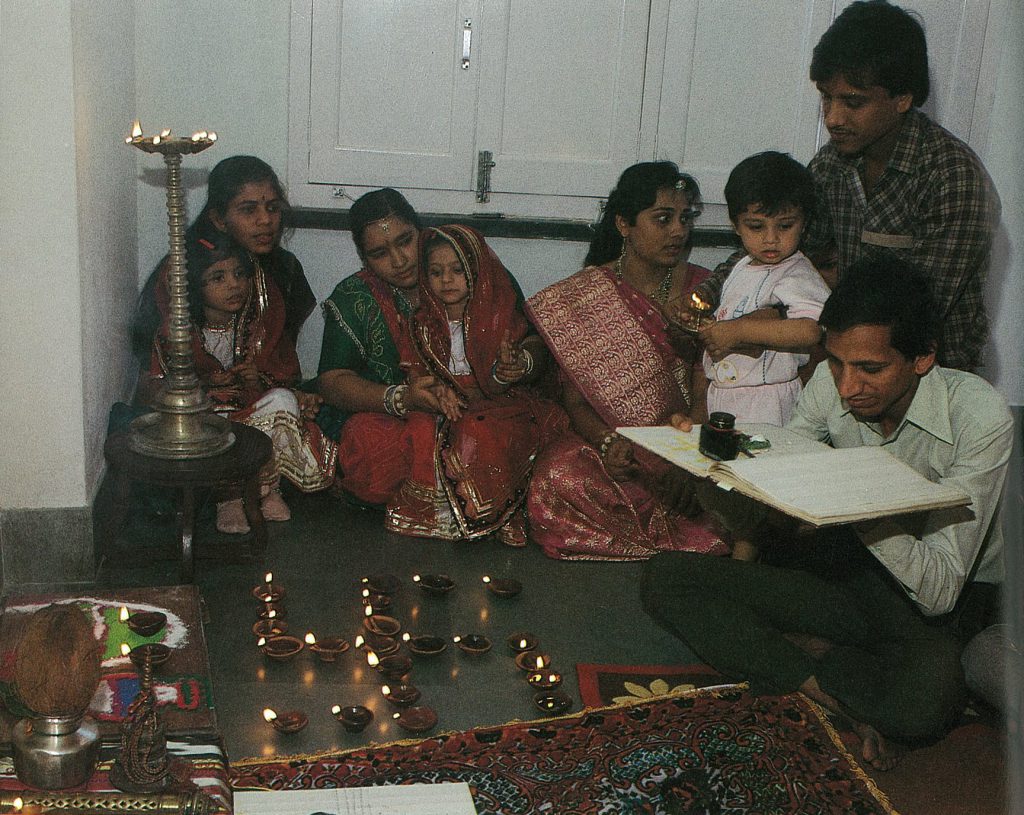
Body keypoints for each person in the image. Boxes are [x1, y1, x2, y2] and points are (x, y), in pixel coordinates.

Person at [643, 256, 1012, 770]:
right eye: (836, 362)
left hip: (947, 603)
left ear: (923, 357)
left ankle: (811, 654)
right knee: (665, 578)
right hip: (849, 574)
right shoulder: (828, 385)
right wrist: (712, 468)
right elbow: (770, 516)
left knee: (925, 704)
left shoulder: (980, 416)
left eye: (871, 369)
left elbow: (939, 592)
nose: (845, 387)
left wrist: (862, 505)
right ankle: (830, 693)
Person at [695, 0, 1000, 373]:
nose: (833, 118)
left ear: (903, 97)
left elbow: (911, 312)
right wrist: (705, 295)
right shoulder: (829, 165)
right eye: (827, 96)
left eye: (853, 102)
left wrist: (774, 318)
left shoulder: (955, 178)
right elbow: (775, 247)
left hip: (933, 379)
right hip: (843, 364)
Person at [525, 161, 728, 561]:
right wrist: (608, 443)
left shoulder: (704, 290)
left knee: (725, 503)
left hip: (686, 440)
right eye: (663, 219)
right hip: (621, 449)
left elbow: (711, 385)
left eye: (685, 218)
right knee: (556, 475)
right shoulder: (586, 292)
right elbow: (577, 399)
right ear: (623, 224)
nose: (678, 231)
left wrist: (687, 460)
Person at [338, 224, 565, 543]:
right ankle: (430, 511)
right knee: (378, 432)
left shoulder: (497, 319)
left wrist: (507, 369)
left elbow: (500, 382)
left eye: (457, 271)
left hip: (492, 408)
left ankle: (484, 510)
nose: (446, 280)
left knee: (478, 431)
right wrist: (434, 393)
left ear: (477, 273)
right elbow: (417, 371)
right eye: (435, 272)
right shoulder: (423, 323)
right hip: (438, 407)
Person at [146, 234, 336, 534]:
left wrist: (256, 378)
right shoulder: (179, 335)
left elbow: (282, 376)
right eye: (217, 278)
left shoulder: (260, 327)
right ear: (194, 288)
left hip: (250, 416)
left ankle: (269, 489)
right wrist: (206, 383)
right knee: (207, 416)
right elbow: (162, 386)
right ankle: (229, 498)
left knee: (283, 400)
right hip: (210, 421)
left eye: (239, 275)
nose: (233, 284)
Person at [698, 152, 831, 560]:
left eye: (784, 226)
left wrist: (738, 330)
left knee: (764, 490)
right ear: (737, 227)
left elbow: (810, 329)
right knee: (732, 487)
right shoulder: (742, 266)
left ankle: (757, 566)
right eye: (756, 227)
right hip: (729, 397)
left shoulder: (796, 272)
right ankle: (746, 563)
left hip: (767, 399)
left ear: (803, 223)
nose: (771, 240)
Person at [132, 156, 315, 369]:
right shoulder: (186, 269)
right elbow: (158, 359)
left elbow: (282, 358)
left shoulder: (286, 268)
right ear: (219, 219)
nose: (265, 220)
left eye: (273, 208)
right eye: (249, 209)